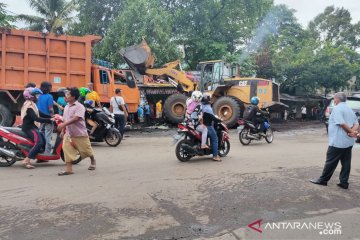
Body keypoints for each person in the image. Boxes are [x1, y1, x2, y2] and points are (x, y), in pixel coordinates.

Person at [310, 92, 359, 189]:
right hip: (348, 142)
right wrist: (352, 132)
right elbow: (357, 123)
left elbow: (341, 123)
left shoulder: (337, 109)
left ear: (336, 99)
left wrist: (350, 132)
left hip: (337, 141)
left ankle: (323, 180)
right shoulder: (349, 109)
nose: (334, 100)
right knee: (346, 162)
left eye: (334, 99)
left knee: (330, 161)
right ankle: (344, 182)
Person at [57, 87, 96, 176]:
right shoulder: (66, 107)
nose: (66, 96)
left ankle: (93, 160)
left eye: (68, 94)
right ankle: (69, 169)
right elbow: (65, 120)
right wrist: (63, 130)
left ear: (73, 97)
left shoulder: (80, 106)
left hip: (80, 133)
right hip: (69, 133)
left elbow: (76, 118)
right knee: (66, 150)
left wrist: (63, 125)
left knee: (86, 150)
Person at [21, 87, 53, 169]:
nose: (37, 97)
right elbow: (36, 118)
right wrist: (49, 120)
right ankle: (27, 160)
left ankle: (40, 158)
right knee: (39, 142)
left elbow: (40, 113)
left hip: (33, 127)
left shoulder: (32, 104)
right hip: (29, 128)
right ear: (30, 96)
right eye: (36, 95)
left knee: (43, 140)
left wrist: (52, 117)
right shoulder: (29, 106)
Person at [201, 94, 221, 161]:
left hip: (200, 125)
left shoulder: (201, 106)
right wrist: (220, 120)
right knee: (215, 139)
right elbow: (213, 118)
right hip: (208, 126)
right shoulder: (208, 108)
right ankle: (215, 156)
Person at [37, 81, 54, 154]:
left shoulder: (38, 96)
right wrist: (52, 116)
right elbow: (50, 108)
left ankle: (40, 150)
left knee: (40, 134)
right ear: (48, 88)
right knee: (48, 136)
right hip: (48, 119)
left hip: (40, 118)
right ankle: (47, 152)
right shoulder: (49, 96)